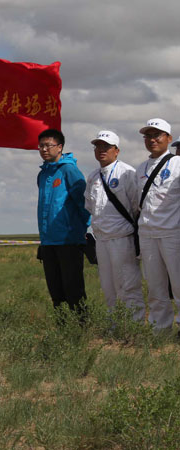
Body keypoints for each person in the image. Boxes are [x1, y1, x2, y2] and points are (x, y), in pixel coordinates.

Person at [83, 131, 143, 321]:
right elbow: (90, 207)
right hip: (102, 240)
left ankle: (134, 326)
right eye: (98, 146)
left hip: (122, 238)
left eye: (106, 146)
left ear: (116, 150)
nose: (101, 150)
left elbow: (136, 206)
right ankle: (114, 326)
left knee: (127, 285)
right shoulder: (93, 177)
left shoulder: (126, 173)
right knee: (108, 287)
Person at [36, 128, 91, 318]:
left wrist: (79, 230)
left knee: (73, 288)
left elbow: (84, 203)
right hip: (48, 241)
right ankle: (63, 328)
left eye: (48, 145)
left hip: (68, 240)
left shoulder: (69, 170)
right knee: (55, 290)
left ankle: (83, 327)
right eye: (41, 145)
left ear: (59, 147)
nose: (44, 149)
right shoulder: (43, 174)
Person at [134, 119, 180, 331]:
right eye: (148, 136)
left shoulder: (177, 164)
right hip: (148, 234)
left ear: (168, 139)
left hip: (173, 233)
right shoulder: (141, 168)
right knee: (155, 287)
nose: (152, 140)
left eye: (157, 135)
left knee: (179, 285)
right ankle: (160, 329)